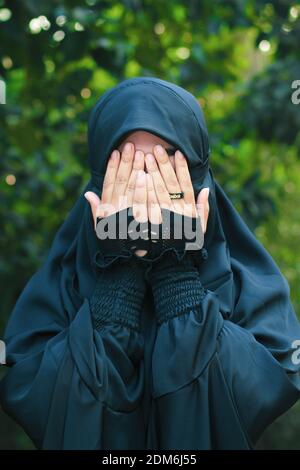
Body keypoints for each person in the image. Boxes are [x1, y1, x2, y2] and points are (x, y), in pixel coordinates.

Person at [1, 76, 300, 450]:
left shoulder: (249, 288)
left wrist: (176, 273)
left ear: (196, 176)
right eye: (125, 167)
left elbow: (252, 400)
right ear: (100, 180)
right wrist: (118, 279)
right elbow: (45, 406)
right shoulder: (61, 288)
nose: (145, 188)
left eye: (165, 165)